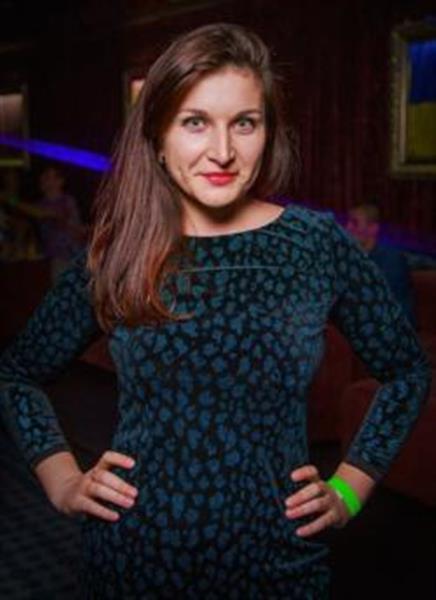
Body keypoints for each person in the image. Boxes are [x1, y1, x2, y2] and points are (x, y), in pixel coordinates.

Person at [0, 23, 431, 599]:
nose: (223, 151)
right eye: (195, 122)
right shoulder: (120, 250)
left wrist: (351, 487)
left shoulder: (314, 244)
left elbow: (406, 371)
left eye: (244, 123)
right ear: (158, 135)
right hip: (133, 560)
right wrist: (61, 480)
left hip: (278, 566)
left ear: (268, 133)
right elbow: (18, 373)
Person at [345, 202, 416, 327]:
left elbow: (386, 304)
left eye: (355, 223)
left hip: (394, 327)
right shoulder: (351, 257)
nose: (348, 228)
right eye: (348, 222)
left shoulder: (391, 259)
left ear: (373, 228)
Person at [33, 164, 86, 280]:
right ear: (41, 182)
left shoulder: (68, 201)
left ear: (61, 181)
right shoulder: (39, 206)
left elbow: (76, 226)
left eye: (54, 177)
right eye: (47, 177)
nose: (50, 182)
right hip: (57, 257)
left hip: (76, 253)